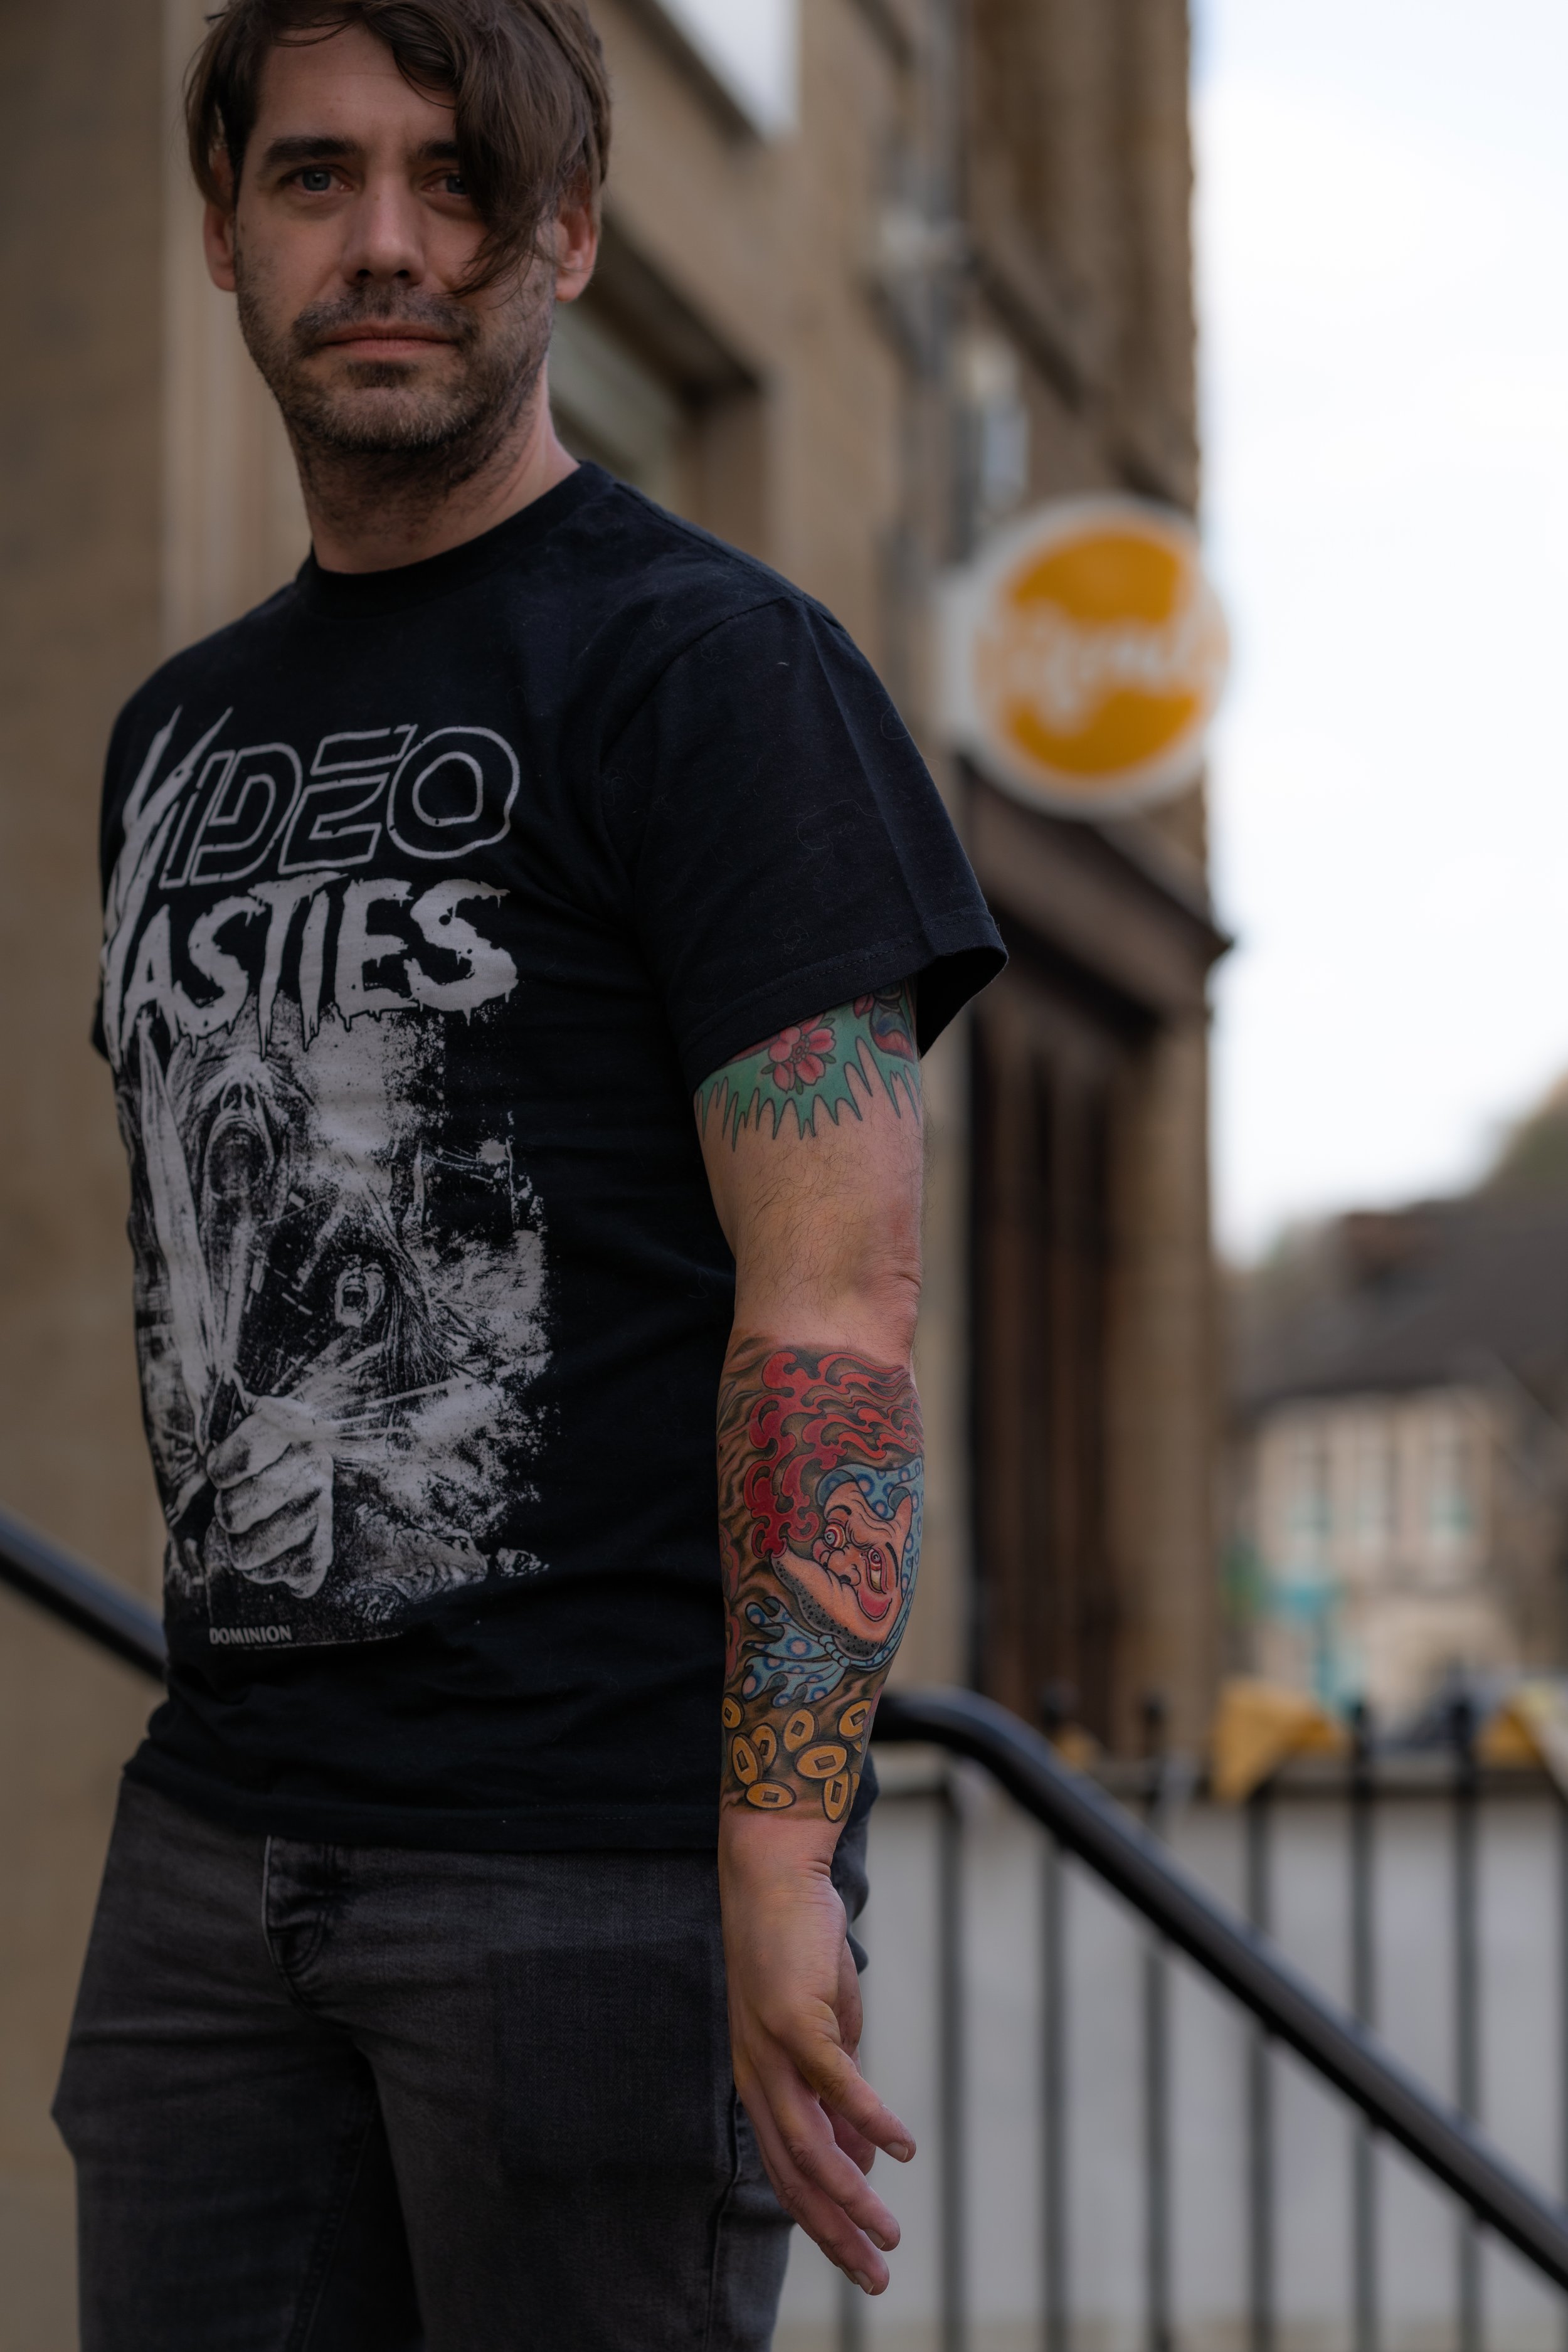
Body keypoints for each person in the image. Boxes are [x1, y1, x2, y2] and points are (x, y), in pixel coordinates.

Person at [53, 2, 1005, 2343]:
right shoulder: (176, 735)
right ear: (223, 231)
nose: (387, 242)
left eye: (459, 181)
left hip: (584, 1881)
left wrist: (777, 1851)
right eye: (316, 176)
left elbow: (836, 1303)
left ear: (567, 236)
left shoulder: (717, 672)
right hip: (211, 1861)